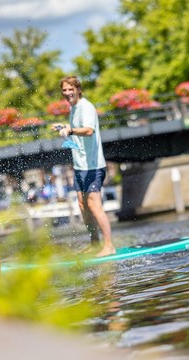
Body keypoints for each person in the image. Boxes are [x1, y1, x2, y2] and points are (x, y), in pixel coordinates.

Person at [51, 75, 116, 257]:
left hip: (93, 166)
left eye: (71, 89)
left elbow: (88, 130)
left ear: (78, 89)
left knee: (94, 205)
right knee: (82, 205)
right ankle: (95, 244)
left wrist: (70, 130)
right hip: (80, 167)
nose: (67, 93)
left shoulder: (86, 106)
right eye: (64, 90)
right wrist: (64, 126)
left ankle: (109, 245)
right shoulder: (74, 109)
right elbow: (78, 129)